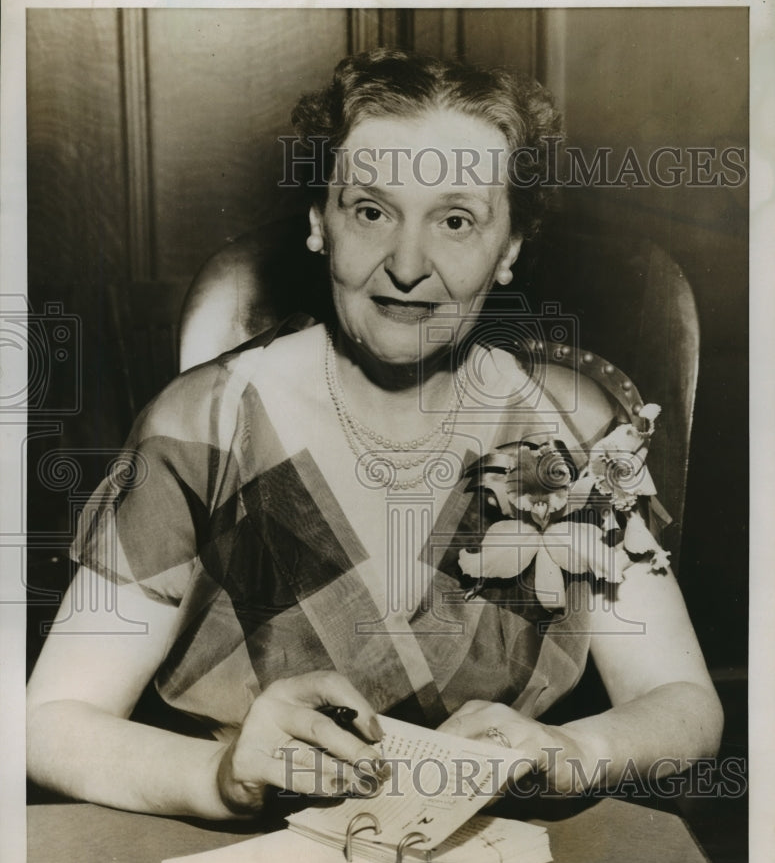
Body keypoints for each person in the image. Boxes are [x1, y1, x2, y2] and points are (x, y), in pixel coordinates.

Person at [26, 49, 722, 820]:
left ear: (510, 249)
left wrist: (573, 754)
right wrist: (222, 775)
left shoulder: (571, 433)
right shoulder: (202, 425)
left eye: (456, 220)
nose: (407, 265)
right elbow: (48, 724)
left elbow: (683, 701)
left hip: (503, 860)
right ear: (320, 224)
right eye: (371, 211)